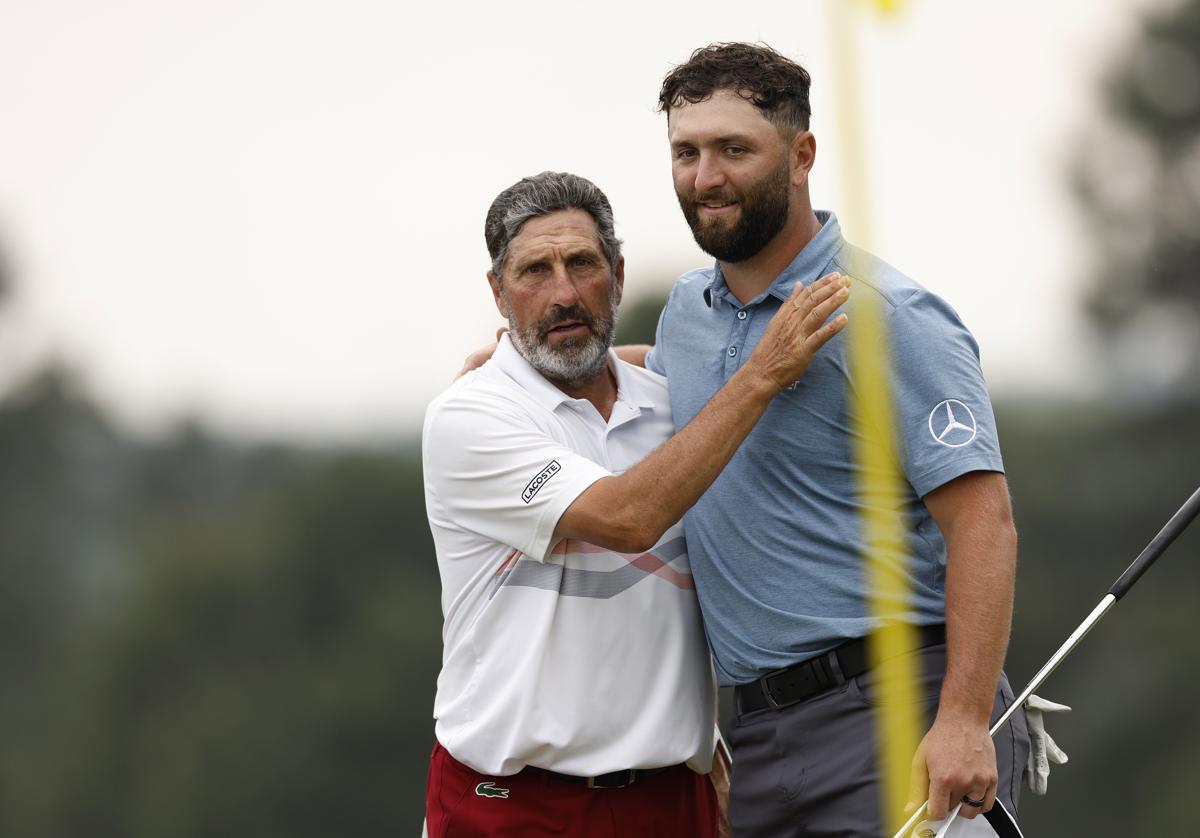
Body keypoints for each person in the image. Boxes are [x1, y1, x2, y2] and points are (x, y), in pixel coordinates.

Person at [641, 43, 1031, 836]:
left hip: (896, 714)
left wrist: (961, 719)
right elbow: (662, 375)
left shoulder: (894, 317)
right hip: (755, 740)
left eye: (734, 149)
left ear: (801, 155)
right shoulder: (686, 313)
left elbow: (983, 522)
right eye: (687, 152)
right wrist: (537, 365)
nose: (705, 176)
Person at [422, 170, 848, 837]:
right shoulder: (470, 418)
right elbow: (628, 517)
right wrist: (761, 374)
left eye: (582, 264)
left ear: (617, 275)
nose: (562, 292)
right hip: (511, 805)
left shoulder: (672, 403)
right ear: (498, 292)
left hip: (672, 800)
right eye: (535, 270)